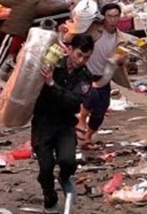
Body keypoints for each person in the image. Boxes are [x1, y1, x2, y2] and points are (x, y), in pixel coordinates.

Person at [32, 33, 94, 213]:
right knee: (45, 167)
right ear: (71, 50)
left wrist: (52, 84)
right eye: (79, 55)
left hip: (65, 123)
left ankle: (65, 177)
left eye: (86, 57)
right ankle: (49, 197)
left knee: (67, 161)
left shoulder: (84, 76)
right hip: (43, 122)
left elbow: (74, 103)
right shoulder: (53, 63)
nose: (81, 60)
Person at [77, 3, 127, 147]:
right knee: (91, 96)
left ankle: (88, 136)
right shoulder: (93, 29)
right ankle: (81, 121)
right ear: (103, 17)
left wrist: (121, 60)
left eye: (116, 16)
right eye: (109, 16)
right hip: (86, 72)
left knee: (101, 109)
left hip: (104, 76)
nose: (113, 20)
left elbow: (124, 60)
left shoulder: (121, 38)